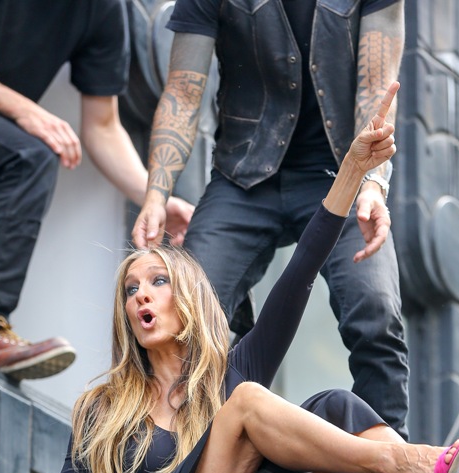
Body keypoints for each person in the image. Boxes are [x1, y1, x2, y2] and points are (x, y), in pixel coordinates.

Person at [27, 84, 459, 473]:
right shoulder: (103, 406)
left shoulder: (229, 371)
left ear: (190, 299)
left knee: (336, 403)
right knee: (245, 403)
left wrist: (352, 170)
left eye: (157, 282)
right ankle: (400, 462)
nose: (141, 296)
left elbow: (301, 268)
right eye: (130, 290)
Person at [132, 0, 410, 437]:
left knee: (374, 311)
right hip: (242, 179)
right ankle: (191, 466)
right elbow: (183, 93)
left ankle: (389, 463)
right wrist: (155, 195)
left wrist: (373, 183)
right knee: (183, 315)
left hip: (341, 174)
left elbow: (377, 85)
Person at [0, 0, 194, 381]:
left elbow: (102, 127)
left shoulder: (105, 11)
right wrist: (26, 112)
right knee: (33, 155)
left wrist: (155, 198)